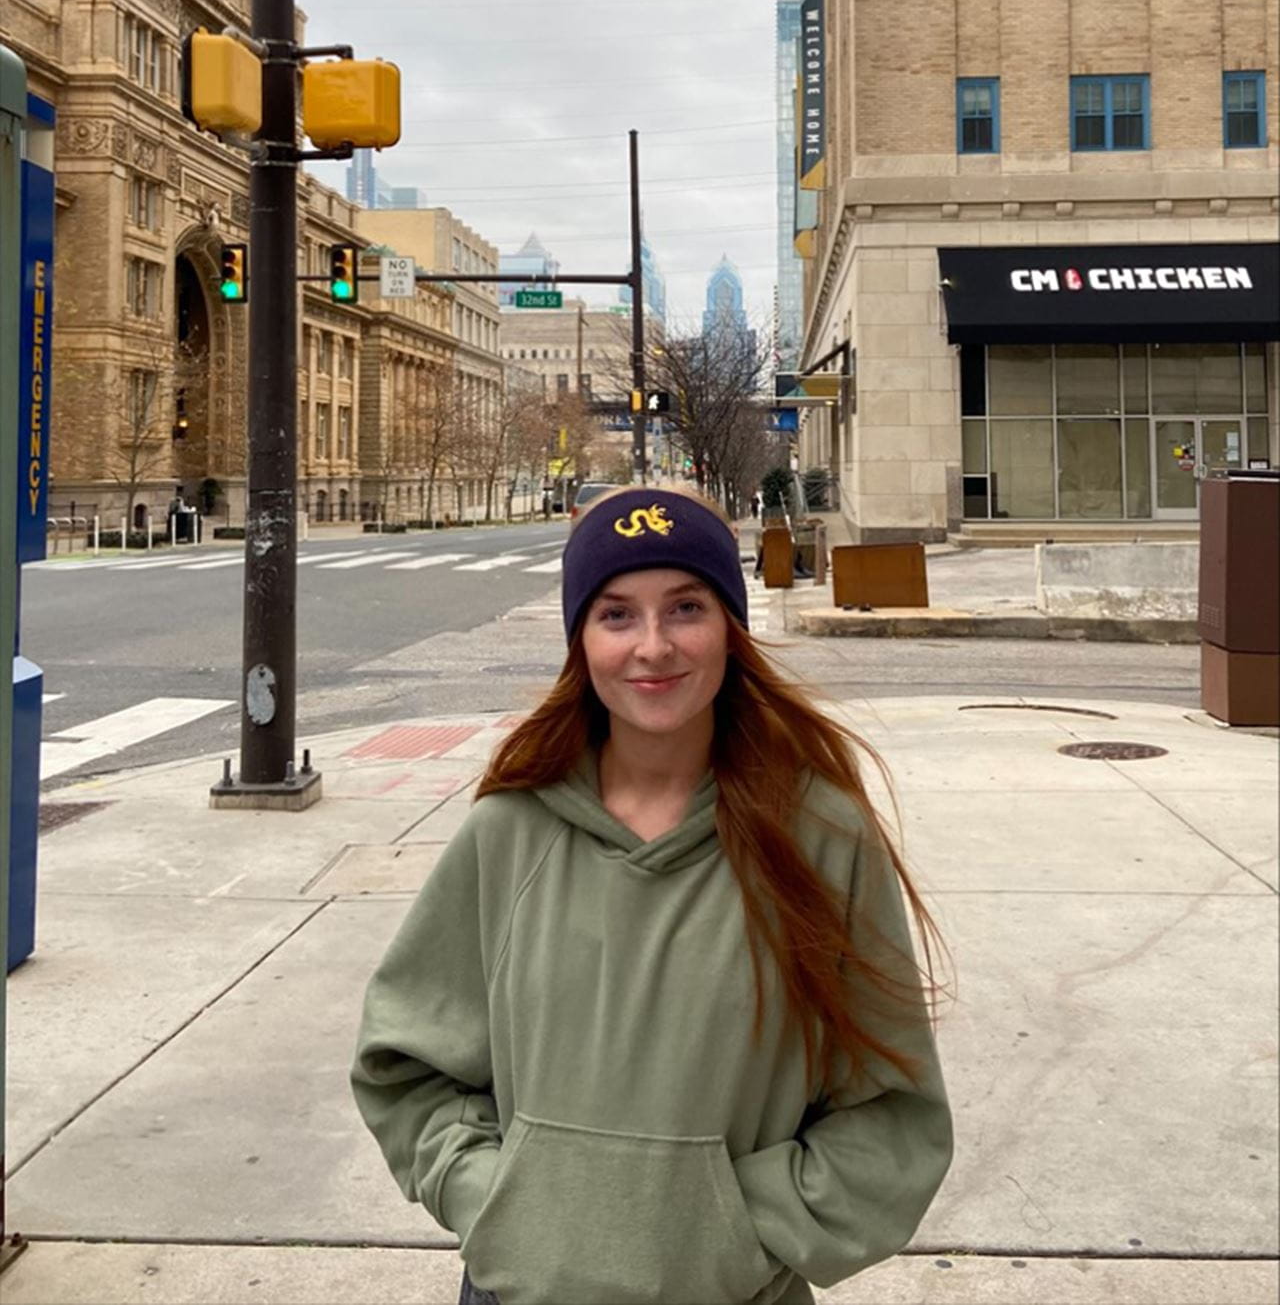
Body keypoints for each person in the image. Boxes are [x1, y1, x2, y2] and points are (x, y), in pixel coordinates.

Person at [352, 485, 953, 1305]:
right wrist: (500, 1207)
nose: (654, 646)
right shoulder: (510, 830)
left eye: (686, 607)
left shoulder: (819, 836)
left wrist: (738, 1234)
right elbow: (405, 1067)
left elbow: (892, 1115)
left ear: (729, 630)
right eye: (617, 614)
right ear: (580, 640)